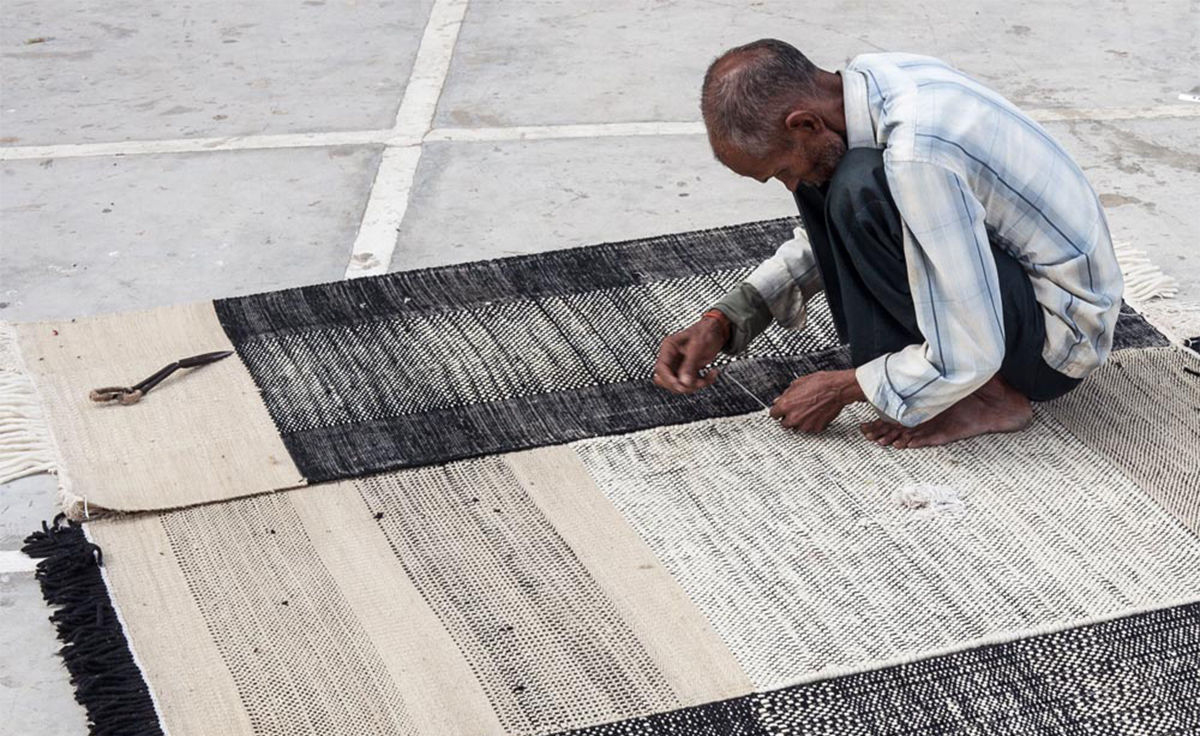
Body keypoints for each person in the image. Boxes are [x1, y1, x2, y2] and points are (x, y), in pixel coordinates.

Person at [652, 39, 1122, 449]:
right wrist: (729, 318)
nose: (788, 186)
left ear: (805, 123)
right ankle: (943, 377)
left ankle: (992, 396)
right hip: (1032, 291)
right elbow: (837, 231)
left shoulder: (917, 154)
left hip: (1055, 343)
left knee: (856, 187)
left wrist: (845, 387)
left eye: (780, 171)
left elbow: (971, 349)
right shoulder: (868, 82)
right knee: (831, 182)